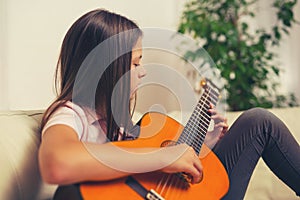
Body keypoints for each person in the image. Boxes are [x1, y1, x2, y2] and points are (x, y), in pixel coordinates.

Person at [38, 9, 300, 199]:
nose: (143, 72)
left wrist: (199, 150)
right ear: (106, 68)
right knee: (261, 122)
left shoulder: (121, 123)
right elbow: (58, 162)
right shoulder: (71, 114)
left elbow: (147, 174)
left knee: (258, 121)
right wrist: (161, 156)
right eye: (136, 63)